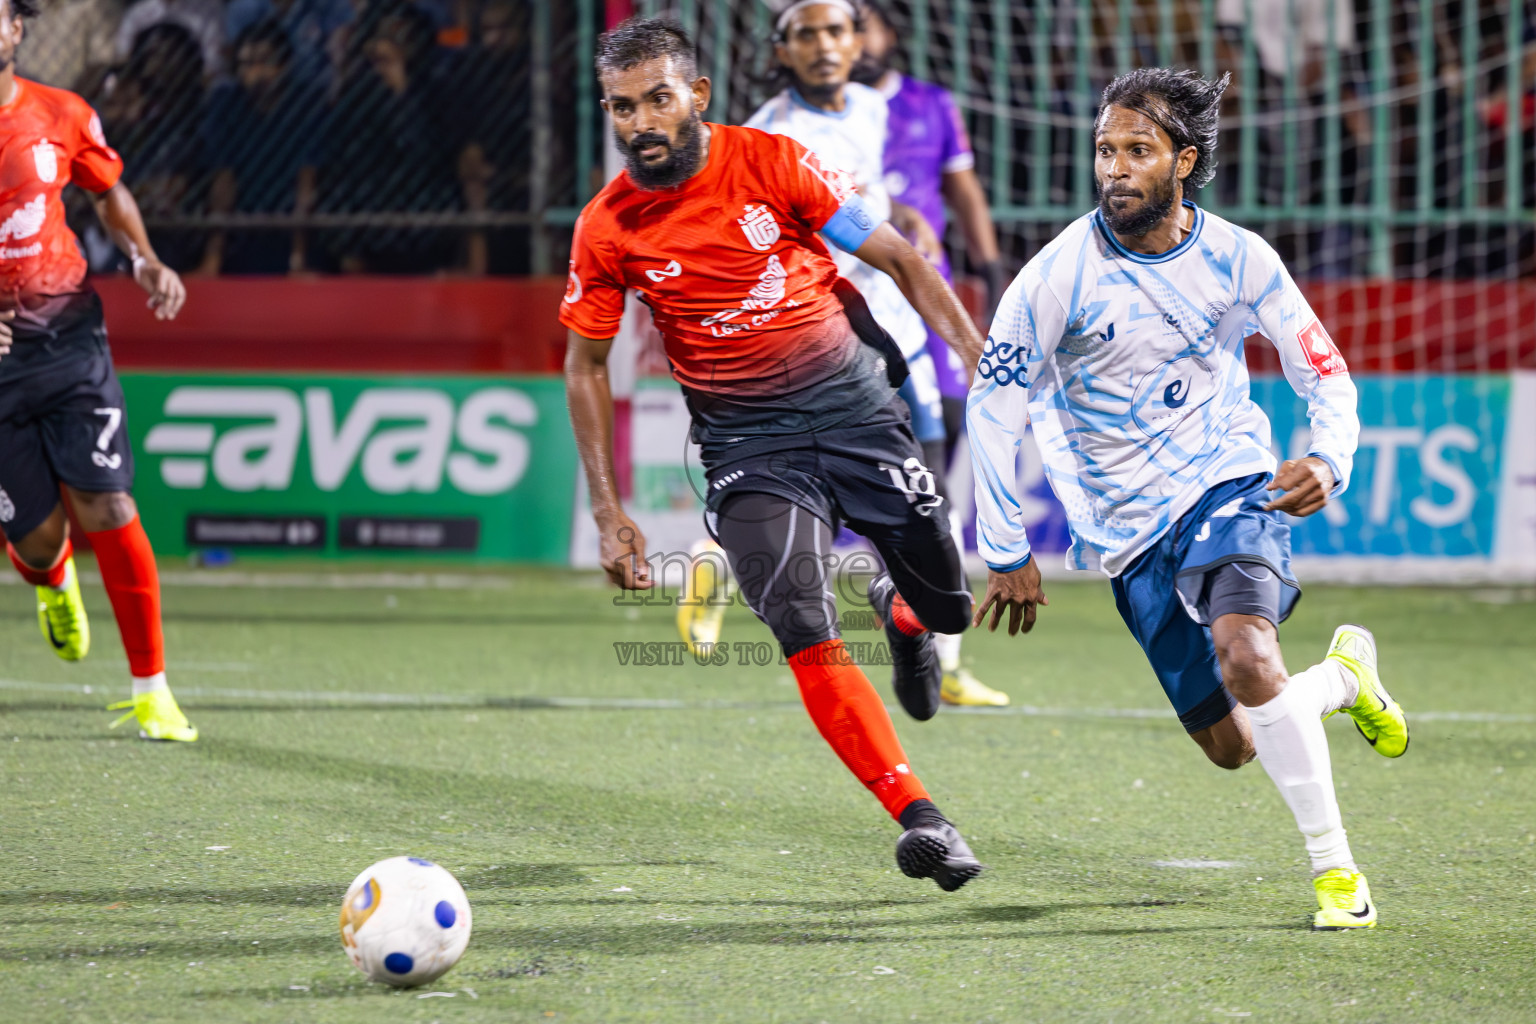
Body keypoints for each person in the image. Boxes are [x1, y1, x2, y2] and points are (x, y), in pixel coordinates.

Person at [969, 68, 1409, 930]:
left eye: (1138, 151)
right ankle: (1344, 678)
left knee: (1248, 659)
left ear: (1184, 161)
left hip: (1226, 480)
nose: (1115, 169)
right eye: (1105, 150)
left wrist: (1331, 457)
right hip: (1125, 534)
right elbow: (993, 410)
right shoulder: (1055, 276)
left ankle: (1336, 875)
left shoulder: (1241, 257)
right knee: (1235, 744)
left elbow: (1322, 370)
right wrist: (1003, 543)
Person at [564, 17, 985, 889]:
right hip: (748, 446)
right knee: (799, 617)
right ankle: (922, 817)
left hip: (858, 416)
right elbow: (586, 367)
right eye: (621, 106)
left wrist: (979, 359)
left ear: (697, 97)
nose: (640, 121)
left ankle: (901, 613)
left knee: (949, 610)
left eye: (657, 99)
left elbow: (901, 257)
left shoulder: (775, 161)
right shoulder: (607, 227)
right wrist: (611, 515)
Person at [0, 0, 196, 741]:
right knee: (43, 540)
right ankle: (51, 580)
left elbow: (107, 189)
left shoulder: (63, 113)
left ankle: (153, 692)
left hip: (72, 340)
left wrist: (146, 260)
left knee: (109, 505)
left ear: (18, 28)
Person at [853, 0, 1009, 705]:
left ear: (888, 32)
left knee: (938, 480)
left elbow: (962, 187)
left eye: (861, 24)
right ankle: (719, 560)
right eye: (833, 27)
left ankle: (942, 658)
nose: (851, 41)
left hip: (922, 312)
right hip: (848, 314)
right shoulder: (820, 121)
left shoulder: (929, 105)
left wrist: (989, 262)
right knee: (830, 473)